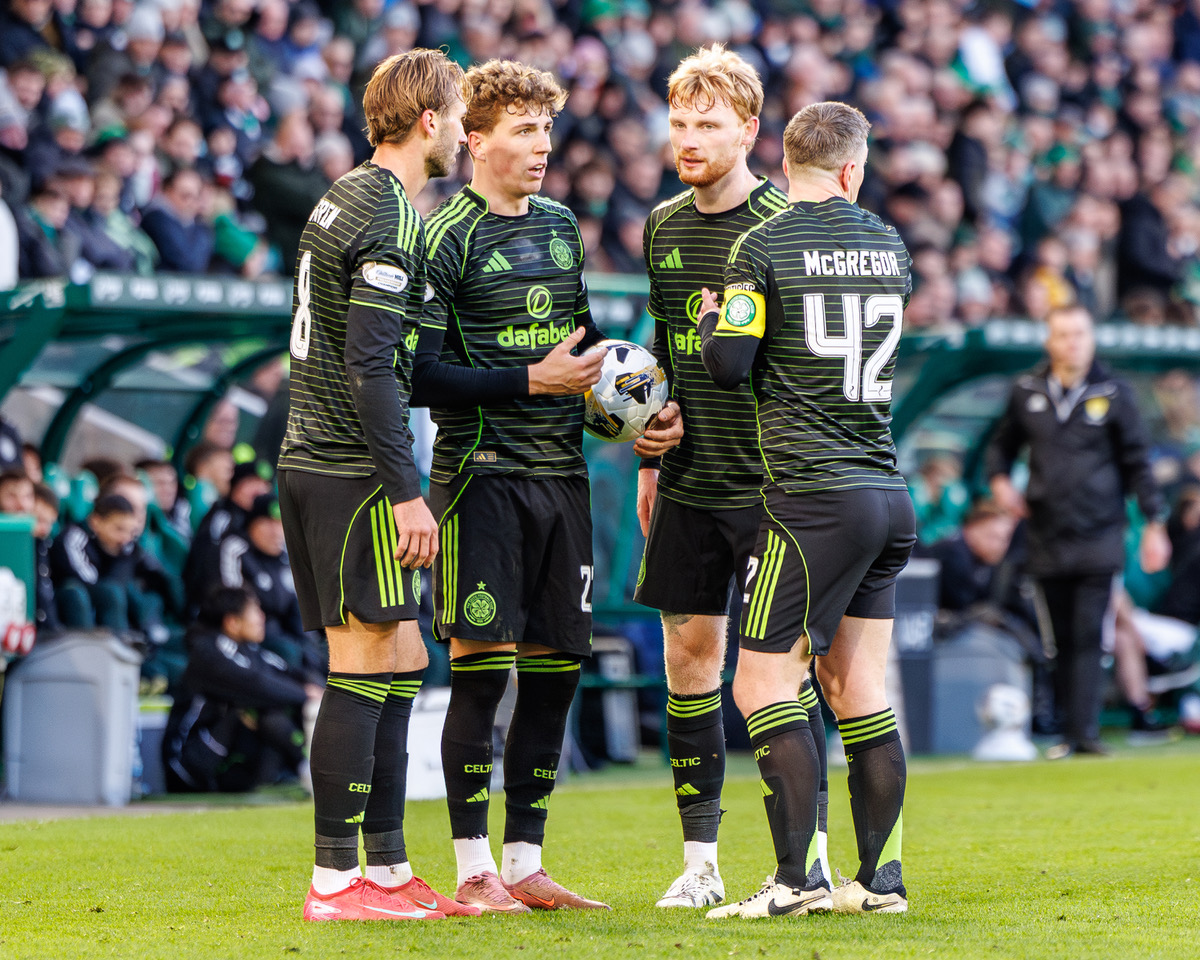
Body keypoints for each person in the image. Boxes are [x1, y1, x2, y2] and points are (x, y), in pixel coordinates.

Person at [414, 59, 677, 913]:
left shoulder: (563, 226)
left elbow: (586, 346)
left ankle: (525, 861)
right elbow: (417, 374)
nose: (542, 147)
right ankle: (471, 867)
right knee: (482, 673)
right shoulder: (444, 235)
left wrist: (641, 410)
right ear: (475, 138)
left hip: (563, 479)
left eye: (547, 130)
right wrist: (531, 383)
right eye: (525, 131)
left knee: (560, 668)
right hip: (480, 480)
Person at [695, 101, 916, 918]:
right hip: (888, 495)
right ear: (854, 170)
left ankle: (794, 882)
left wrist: (717, 316)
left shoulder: (764, 243)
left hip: (812, 498)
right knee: (859, 687)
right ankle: (882, 881)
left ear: (788, 163)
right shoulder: (889, 242)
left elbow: (727, 366)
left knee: (759, 684)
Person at [276, 49, 475, 923]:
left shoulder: (346, 192)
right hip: (350, 471)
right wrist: (405, 488)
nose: (466, 133)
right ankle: (333, 881)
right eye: (462, 115)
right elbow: (369, 367)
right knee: (362, 658)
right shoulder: (389, 216)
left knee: (402, 654)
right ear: (429, 119)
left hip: (317, 460)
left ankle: (387, 872)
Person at [631, 44, 830, 911]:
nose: (689, 138)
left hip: (772, 486)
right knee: (687, 660)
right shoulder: (662, 226)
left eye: (708, 124)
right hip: (687, 480)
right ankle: (700, 860)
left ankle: (807, 858)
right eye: (679, 122)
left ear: (750, 129)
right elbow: (666, 348)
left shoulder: (785, 226)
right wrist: (649, 436)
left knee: (783, 674)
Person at [985, 303, 1171, 759]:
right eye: (1064, 334)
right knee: (1058, 638)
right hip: (1046, 534)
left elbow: (1137, 463)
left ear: (1092, 338)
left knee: (1091, 633)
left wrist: (1154, 523)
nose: (1073, 342)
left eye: (1081, 333)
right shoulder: (1026, 390)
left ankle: (1085, 733)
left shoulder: (1114, 391)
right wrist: (1001, 482)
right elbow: (1000, 446)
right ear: (1049, 340)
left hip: (1101, 533)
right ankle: (1068, 734)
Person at [162, 586, 321, 792]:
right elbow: (255, 684)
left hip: (225, 756)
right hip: (187, 765)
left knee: (272, 704)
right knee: (262, 706)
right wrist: (305, 694)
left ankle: (307, 767)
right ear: (232, 623)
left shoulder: (248, 649)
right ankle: (309, 765)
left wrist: (317, 690)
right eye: (255, 611)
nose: (262, 618)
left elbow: (288, 672)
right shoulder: (208, 652)